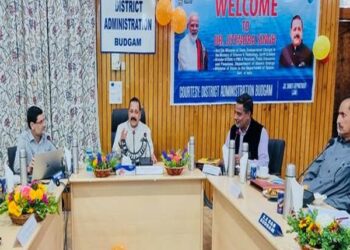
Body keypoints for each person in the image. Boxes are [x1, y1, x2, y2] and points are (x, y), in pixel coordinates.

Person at [303, 96, 350, 212]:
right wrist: (304, 191)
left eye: (343, 115)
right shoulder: (332, 144)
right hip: (307, 202)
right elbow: (311, 173)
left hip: (331, 211)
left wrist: (326, 203)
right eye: (338, 115)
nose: (338, 120)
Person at [225, 93, 269, 167]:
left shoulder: (261, 132)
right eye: (235, 113)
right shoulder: (233, 130)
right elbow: (226, 155)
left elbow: (264, 163)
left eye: (239, 114)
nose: (235, 117)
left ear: (248, 114)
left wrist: (244, 161)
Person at [112, 97, 157, 164]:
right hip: (125, 171)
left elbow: (150, 154)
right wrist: (120, 143)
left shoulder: (146, 130)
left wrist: (152, 157)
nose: (133, 115)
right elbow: (114, 157)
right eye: (131, 111)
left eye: (136, 112)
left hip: (141, 170)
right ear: (128, 113)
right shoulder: (121, 128)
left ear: (140, 115)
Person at [14, 106, 56, 174]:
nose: (44, 125)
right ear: (32, 125)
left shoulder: (46, 138)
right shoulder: (23, 140)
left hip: (47, 179)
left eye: (44, 120)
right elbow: (16, 167)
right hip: (31, 182)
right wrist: (28, 169)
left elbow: (57, 158)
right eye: (41, 122)